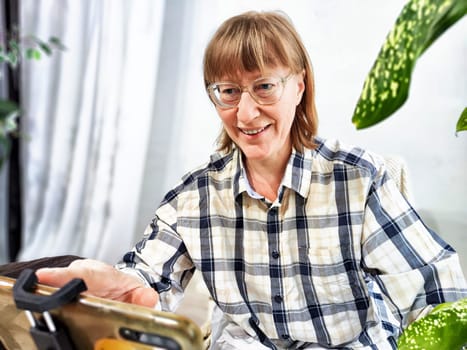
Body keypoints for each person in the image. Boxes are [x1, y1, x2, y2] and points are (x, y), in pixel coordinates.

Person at [35, 10, 466, 349]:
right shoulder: (195, 197)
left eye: (264, 87)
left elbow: (436, 291)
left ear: (299, 86)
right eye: (227, 91)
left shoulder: (358, 180)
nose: (245, 114)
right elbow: (145, 282)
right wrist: (121, 286)